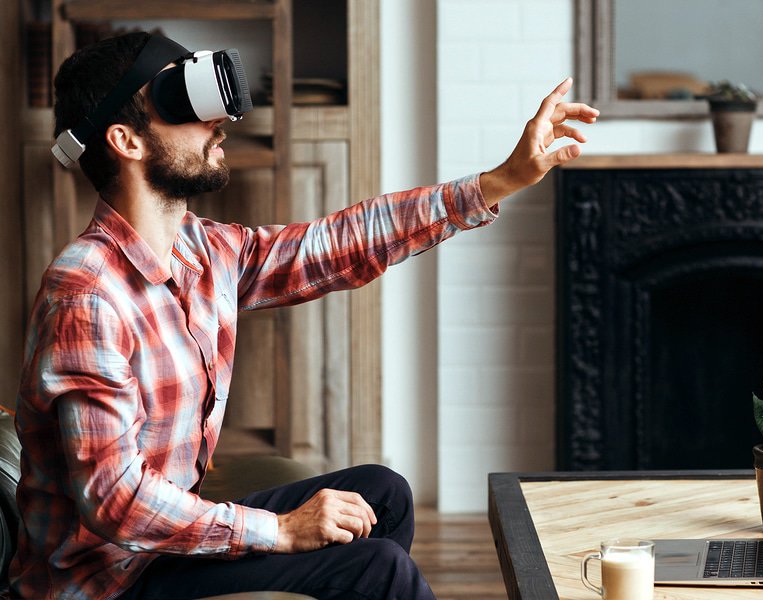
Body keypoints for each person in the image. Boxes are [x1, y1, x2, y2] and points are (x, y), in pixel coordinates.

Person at [10, 31, 598, 599]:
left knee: (382, 494)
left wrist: (502, 180)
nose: (219, 121)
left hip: (159, 550)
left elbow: (334, 244)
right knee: (378, 569)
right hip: (108, 580)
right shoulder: (86, 295)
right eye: (180, 102)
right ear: (126, 141)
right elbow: (116, 502)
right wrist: (283, 530)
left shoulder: (202, 250)